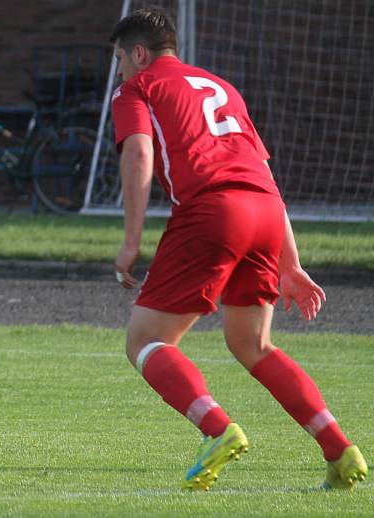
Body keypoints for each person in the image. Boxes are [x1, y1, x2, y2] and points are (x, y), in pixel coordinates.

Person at [108, 8, 367, 490]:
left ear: (139, 53)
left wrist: (129, 243)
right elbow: (263, 173)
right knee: (252, 344)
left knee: (145, 341)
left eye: (121, 58)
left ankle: (218, 430)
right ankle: (340, 450)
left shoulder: (138, 87)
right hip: (266, 212)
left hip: (213, 211)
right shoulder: (220, 86)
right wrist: (290, 261)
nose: (119, 70)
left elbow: (140, 152)